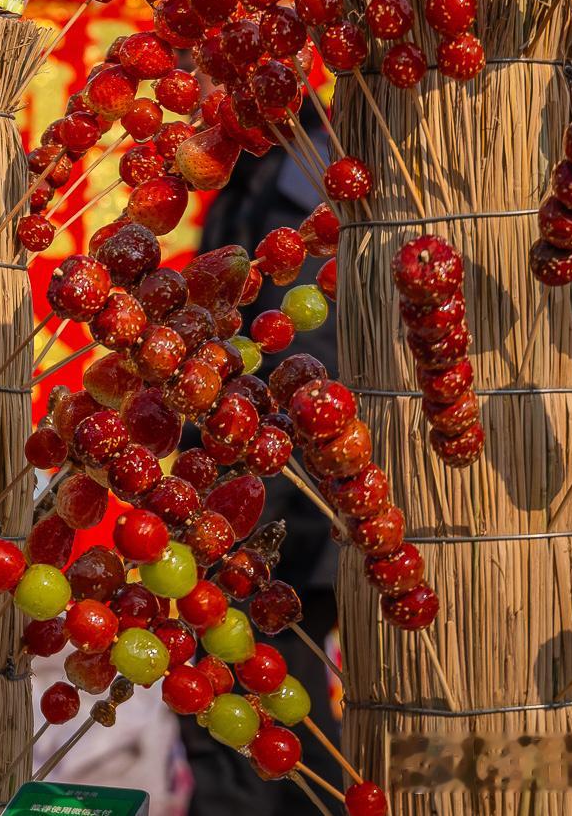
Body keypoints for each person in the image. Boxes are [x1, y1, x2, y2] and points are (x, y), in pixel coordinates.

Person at [180, 98, 345, 807]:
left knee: (263, 685)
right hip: (243, 483)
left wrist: (238, 514)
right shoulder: (249, 174)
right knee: (233, 687)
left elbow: (306, 357)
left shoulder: (313, 184)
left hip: (283, 497)